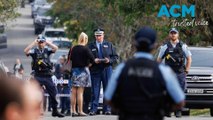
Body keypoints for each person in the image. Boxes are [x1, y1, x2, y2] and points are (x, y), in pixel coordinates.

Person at [105, 26, 185, 120]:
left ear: (135, 43)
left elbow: (108, 98)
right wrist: (163, 109)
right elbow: (180, 101)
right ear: (155, 45)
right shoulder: (163, 71)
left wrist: (123, 108)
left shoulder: (122, 68)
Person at [24, 34, 65, 117]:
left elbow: (56, 48)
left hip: (47, 75)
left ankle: (55, 110)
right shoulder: (34, 51)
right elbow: (25, 51)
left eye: (42, 42)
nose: (41, 43)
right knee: (34, 94)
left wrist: (47, 43)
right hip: (37, 75)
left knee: (53, 92)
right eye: (40, 42)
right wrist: (34, 43)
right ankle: (33, 111)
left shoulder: (47, 50)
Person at [157, 28, 192, 117]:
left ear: (178, 35)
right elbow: (159, 59)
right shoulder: (165, 47)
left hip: (180, 73)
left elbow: (189, 58)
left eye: (175, 33)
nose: (173, 35)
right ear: (169, 35)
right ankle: (168, 110)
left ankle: (178, 111)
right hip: (168, 74)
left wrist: (187, 69)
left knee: (180, 91)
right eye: (171, 33)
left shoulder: (183, 46)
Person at [88, 28, 118, 115]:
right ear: (95, 36)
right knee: (95, 90)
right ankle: (93, 109)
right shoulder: (90, 46)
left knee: (107, 90)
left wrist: (109, 60)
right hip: (95, 70)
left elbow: (115, 57)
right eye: (97, 35)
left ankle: (107, 109)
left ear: (103, 35)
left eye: (100, 35)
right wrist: (93, 61)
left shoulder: (109, 45)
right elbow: (87, 59)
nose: (98, 37)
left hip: (107, 69)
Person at [68, 32, 94, 116]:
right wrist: (89, 64)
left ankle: (72, 111)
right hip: (83, 72)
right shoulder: (85, 49)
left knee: (73, 92)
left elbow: (70, 59)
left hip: (74, 71)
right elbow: (92, 59)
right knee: (80, 93)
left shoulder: (73, 48)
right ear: (85, 39)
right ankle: (80, 111)